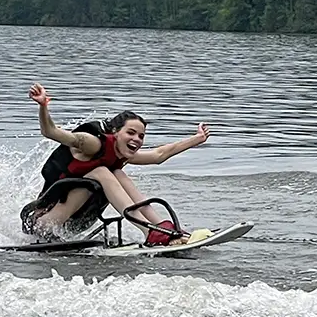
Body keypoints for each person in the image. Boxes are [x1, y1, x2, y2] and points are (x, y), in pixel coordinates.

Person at [22, 82, 210, 246]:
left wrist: (197, 139)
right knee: (103, 171)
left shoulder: (121, 154)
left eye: (141, 136)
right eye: (131, 133)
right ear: (115, 132)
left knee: (118, 173)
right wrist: (43, 106)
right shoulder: (92, 144)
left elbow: (159, 154)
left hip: (75, 223)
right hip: (46, 223)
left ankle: (161, 227)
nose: (136, 139)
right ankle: (149, 232)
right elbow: (51, 132)